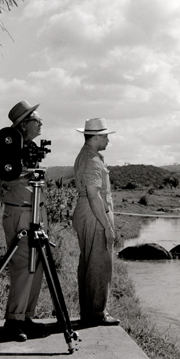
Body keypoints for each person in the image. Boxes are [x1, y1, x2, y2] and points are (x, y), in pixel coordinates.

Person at [0, 100, 48, 342]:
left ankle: (26, 316)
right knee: (23, 265)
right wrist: (18, 175)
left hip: (36, 211)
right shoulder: (8, 148)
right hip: (19, 213)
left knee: (38, 264)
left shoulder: (31, 148)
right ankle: (13, 320)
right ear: (23, 126)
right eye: (37, 120)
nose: (41, 124)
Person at [72, 118, 120, 326]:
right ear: (96, 137)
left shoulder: (90, 157)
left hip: (88, 213)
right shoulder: (91, 160)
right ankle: (96, 313)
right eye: (106, 136)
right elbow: (94, 195)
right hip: (94, 214)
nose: (108, 140)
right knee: (99, 264)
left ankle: (90, 311)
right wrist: (107, 227)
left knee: (90, 263)